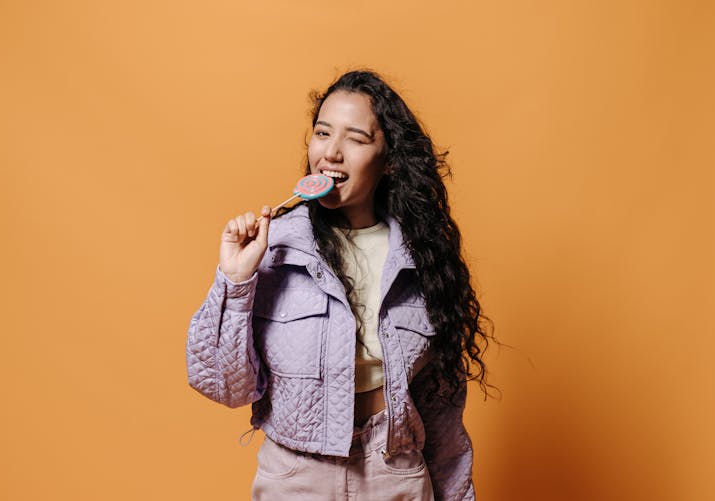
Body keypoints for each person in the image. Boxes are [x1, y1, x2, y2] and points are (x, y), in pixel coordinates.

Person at [186, 69, 495, 500]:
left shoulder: (421, 259)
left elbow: (442, 416)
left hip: (395, 471)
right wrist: (236, 281)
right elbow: (225, 387)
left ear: (388, 161)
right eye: (322, 133)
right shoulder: (274, 248)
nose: (331, 152)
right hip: (296, 477)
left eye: (356, 138)